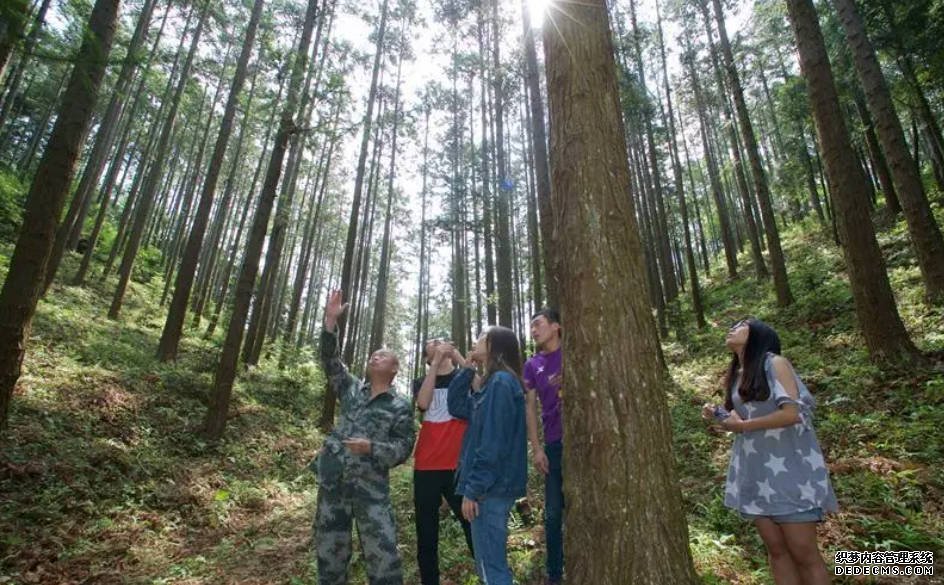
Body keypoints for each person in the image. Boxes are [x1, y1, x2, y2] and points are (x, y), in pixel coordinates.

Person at [701, 318, 837, 585]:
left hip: (790, 472)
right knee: (776, 551)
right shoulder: (738, 374)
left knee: (804, 553)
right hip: (757, 474)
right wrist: (718, 414)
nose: (732, 328)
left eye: (742, 324)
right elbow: (741, 419)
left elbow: (791, 413)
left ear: (760, 335)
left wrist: (743, 426)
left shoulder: (775, 363)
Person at [311, 290, 415, 585]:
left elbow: (404, 448)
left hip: (372, 492)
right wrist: (330, 322)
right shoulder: (352, 389)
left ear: (394, 368)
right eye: (373, 354)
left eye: (383, 355)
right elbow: (331, 360)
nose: (375, 356)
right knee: (330, 558)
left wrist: (372, 448)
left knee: (383, 561)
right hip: (334, 486)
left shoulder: (400, 406)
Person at [446, 327, 527, 585]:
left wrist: (473, 490)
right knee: (488, 566)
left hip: (490, 490)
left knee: (491, 568)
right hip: (489, 488)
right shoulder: (491, 385)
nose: (474, 340)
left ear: (493, 345)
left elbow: (493, 443)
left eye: (481, 337)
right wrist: (468, 368)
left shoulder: (502, 383)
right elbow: (457, 406)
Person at [412, 338, 474, 585]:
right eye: (430, 344)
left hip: (458, 466)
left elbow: (479, 386)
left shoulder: (463, 376)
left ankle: (489, 575)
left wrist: (459, 357)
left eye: (439, 341)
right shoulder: (421, 381)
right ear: (427, 356)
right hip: (426, 466)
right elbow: (423, 403)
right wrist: (435, 364)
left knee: (471, 524)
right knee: (426, 533)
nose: (436, 343)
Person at [523, 309, 564, 585]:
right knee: (551, 514)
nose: (534, 330)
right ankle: (554, 574)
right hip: (553, 444)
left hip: (585, 443)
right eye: (532, 326)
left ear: (556, 326)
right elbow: (530, 407)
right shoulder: (532, 364)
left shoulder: (577, 352)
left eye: (538, 324)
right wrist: (537, 448)